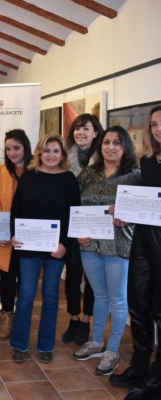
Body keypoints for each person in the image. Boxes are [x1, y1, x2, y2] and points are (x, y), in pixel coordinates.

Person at [72, 126, 140, 375]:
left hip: (118, 246)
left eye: (117, 143)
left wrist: (126, 214)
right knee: (99, 295)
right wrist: (78, 230)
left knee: (118, 299)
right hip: (89, 245)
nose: (111, 147)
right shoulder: (89, 174)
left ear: (125, 148)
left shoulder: (135, 176)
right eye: (107, 142)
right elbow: (74, 203)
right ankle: (96, 341)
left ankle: (112, 351)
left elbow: (144, 211)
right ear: (100, 146)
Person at [10, 134, 80, 363]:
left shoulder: (69, 179)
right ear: (39, 152)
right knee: (27, 294)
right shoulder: (29, 177)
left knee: (50, 295)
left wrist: (65, 245)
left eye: (56, 151)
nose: (51, 155)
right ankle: (20, 344)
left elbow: (73, 215)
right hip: (28, 246)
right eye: (47, 150)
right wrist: (13, 235)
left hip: (55, 248)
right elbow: (16, 210)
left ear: (62, 154)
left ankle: (45, 345)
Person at [110, 105, 161, 390]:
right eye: (153, 124)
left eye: (160, 124)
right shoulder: (149, 161)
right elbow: (145, 202)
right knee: (138, 304)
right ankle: (141, 362)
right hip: (141, 241)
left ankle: (158, 370)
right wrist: (125, 210)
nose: (157, 129)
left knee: (159, 309)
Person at [62, 114, 103, 345]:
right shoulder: (65, 159)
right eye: (77, 129)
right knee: (73, 274)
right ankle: (74, 318)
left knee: (93, 279)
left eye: (86, 128)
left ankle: (86, 321)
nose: (81, 133)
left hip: (97, 228)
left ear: (96, 132)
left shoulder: (105, 160)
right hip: (72, 226)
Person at [0, 129, 32, 339]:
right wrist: (1, 231)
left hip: (29, 235)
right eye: (8, 149)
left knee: (26, 279)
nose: (12, 152)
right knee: (7, 277)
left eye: (17, 147)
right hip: (5, 235)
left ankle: (22, 319)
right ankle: (7, 316)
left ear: (25, 147)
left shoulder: (36, 170)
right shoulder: (0, 171)